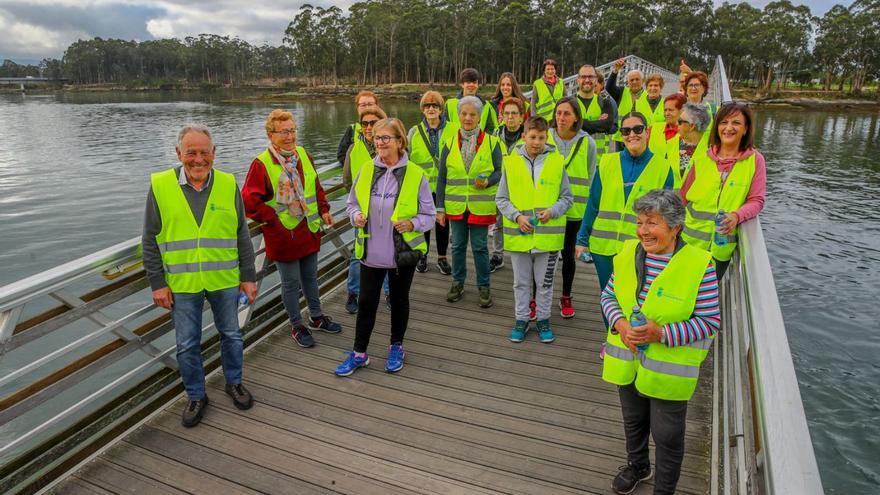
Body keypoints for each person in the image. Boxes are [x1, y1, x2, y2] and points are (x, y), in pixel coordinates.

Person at [600, 189, 720, 495]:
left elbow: (709, 322)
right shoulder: (628, 253)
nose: (643, 230)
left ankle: (663, 491)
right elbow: (608, 296)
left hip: (669, 371)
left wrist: (660, 333)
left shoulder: (698, 264)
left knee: (667, 435)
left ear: (675, 227)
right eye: (640, 222)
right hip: (627, 361)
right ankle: (638, 465)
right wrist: (621, 324)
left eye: (651, 223)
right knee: (634, 420)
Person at [142, 124, 257, 428]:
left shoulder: (228, 183)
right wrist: (157, 283)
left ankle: (234, 382)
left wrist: (249, 276)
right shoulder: (160, 185)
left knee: (232, 335)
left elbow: (242, 234)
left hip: (225, 280)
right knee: (187, 344)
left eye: (204, 152)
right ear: (178, 153)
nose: (197, 159)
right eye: (190, 152)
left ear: (214, 154)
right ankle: (196, 394)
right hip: (183, 284)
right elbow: (149, 239)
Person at [337, 118, 435, 376]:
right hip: (371, 252)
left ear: (399, 142)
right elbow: (351, 203)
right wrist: (355, 215)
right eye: (377, 138)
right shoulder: (367, 169)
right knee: (367, 302)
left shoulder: (415, 173)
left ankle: (396, 346)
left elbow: (429, 215)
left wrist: (413, 224)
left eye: (385, 138)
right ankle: (359, 353)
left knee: (399, 301)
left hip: (402, 254)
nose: (379, 142)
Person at [242, 109, 341, 349]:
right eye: (284, 131)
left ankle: (316, 316)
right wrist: (272, 218)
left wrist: (325, 208)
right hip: (284, 234)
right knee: (290, 283)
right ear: (271, 134)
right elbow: (248, 201)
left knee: (310, 277)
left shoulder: (303, 155)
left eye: (292, 130)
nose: (290, 136)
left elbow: (315, 185)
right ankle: (297, 325)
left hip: (308, 228)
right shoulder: (262, 163)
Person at [574, 112, 675, 298]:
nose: (632, 134)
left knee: (635, 298)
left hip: (641, 248)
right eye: (626, 131)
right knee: (608, 297)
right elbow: (593, 203)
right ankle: (611, 329)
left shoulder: (663, 167)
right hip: (603, 247)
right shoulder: (606, 162)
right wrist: (582, 239)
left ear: (648, 133)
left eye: (637, 129)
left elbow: (667, 215)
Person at [496, 116, 573, 343]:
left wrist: (552, 211)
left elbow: (567, 198)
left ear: (546, 137)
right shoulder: (510, 162)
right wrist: (517, 216)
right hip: (519, 237)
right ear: (524, 136)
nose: (537, 142)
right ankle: (521, 319)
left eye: (541, 137)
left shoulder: (557, 162)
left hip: (548, 239)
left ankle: (543, 319)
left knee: (545, 283)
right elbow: (501, 199)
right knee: (520, 282)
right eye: (532, 137)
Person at [680, 102, 766, 280]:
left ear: (745, 128)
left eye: (736, 123)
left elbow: (756, 200)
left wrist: (737, 216)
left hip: (721, 247)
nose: (728, 128)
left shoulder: (755, 161)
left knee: (705, 297)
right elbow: (683, 196)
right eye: (723, 122)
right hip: (689, 240)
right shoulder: (703, 157)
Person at [436, 96, 503, 308]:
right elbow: (441, 178)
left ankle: (484, 286)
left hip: (480, 205)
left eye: (472, 114)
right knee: (457, 246)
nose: (468, 118)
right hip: (455, 205)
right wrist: (440, 208)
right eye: (464, 114)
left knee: (480, 247)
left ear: (479, 117)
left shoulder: (492, 143)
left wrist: (489, 180)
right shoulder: (448, 143)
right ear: (458, 116)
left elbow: (501, 171)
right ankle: (457, 282)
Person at [548, 97, 597, 318]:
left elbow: (591, 175)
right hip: (547, 209)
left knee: (568, 255)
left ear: (576, 117)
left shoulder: (588, 143)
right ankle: (537, 297)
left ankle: (566, 295)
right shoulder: (545, 137)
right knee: (544, 255)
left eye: (567, 113)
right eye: (559, 113)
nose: (561, 118)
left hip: (575, 211)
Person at [342, 105, 387, 314]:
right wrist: (357, 205)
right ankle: (353, 292)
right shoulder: (353, 149)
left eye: (373, 123)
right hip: (362, 212)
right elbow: (347, 180)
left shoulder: (390, 146)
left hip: (387, 211)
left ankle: (389, 293)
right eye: (365, 123)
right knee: (357, 253)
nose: (369, 127)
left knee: (389, 252)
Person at [407, 91, 457, 274]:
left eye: (434, 106)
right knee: (424, 223)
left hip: (446, 187)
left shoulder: (453, 129)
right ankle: (423, 256)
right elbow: (408, 159)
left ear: (441, 109)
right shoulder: (414, 132)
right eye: (427, 106)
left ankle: (442, 258)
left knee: (443, 223)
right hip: (423, 188)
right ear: (422, 109)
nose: (431, 109)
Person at [489, 97, 527, 272]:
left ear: (521, 117)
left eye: (514, 114)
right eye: (507, 113)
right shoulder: (494, 137)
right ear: (501, 116)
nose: (510, 117)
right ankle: (497, 255)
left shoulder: (528, 138)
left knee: (523, 221)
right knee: (499, 222)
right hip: (501, 187)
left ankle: (525, 254)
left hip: (522, 188)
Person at [607, 58, 653, 146]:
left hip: (641, 137)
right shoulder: (621, 92)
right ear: (627, 82)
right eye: (631, 80)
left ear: (642, 81)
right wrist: (615, 71)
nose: (634, 82)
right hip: (622, 137)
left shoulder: (649, 96)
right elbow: (609, 89)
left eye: (637, 79)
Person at [575, 64, 617, 160]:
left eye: (591, 77)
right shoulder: (569, 102)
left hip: (598, 160)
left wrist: (578, 122)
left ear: (596, 80)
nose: (587, 80)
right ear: (578, 80)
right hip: (575, 161)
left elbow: (607, 125)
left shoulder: (605, 102)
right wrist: (597, 124)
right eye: (583, 77)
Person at [648, 93, 688, 188]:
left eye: (671, 110)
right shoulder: (653, 129)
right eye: (665, 110)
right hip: (654, 184)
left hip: (678, 188)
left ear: (682, 111)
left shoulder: (689, 134)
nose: (666, 113)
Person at [336, 90, 379, 168]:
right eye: (363, 105)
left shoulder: (387, 127)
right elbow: (341, 155)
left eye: (370, 104)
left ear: (377, 106)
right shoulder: (352, 130)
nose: (367, 107)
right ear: (357, 108)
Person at [445, 68, 494, 132]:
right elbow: (444, 128)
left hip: (480, 141)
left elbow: (491, 129)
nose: (471, 85)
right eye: (468, 82)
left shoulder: (486, 106)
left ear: (478, 85)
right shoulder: (449, 104)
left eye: (474, 82)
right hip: (455, 141)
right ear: (462, 84)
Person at [677, 102, 712, 179]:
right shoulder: (671, 143)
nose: (676, 124)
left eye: (680, 121)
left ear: (692, 126)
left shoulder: (712, 149)